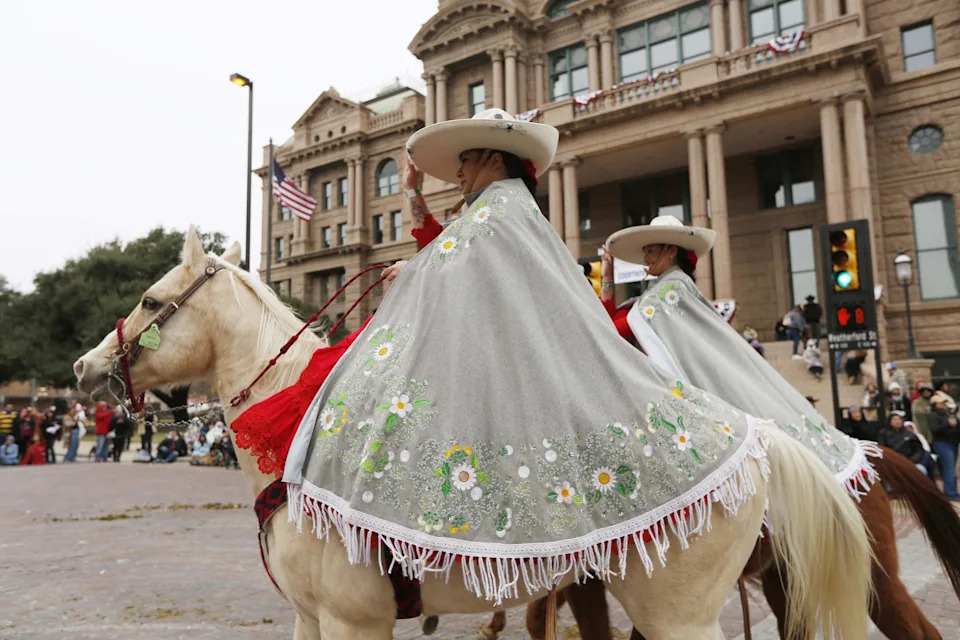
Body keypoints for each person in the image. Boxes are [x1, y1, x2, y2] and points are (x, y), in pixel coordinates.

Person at [599, 213, 876, 505]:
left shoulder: (672, 288)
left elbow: (610, 330)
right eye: (644, 251)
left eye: (651, 249)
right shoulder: (655, 293)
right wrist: (607, 276)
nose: (646, 257)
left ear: (671, 249)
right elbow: (608, 323)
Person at [878, 412, 935, 479]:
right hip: (893, 463)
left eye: (899, 419)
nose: (897, 421)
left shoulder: (909, 434)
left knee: (921, 470)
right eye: (894, 419)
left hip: (910, 462)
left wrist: (911, 461)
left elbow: (919, 450)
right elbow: (883, 450)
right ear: (889, 422)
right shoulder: (883, 433)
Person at [929, 391, 960, 501]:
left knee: (951, 468)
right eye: (941, 403)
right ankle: (951, 493)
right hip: (942, 444)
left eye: (944, 403)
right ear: (935, 404)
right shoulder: (933, 415)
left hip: (953, 443)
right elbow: (935, 430)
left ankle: (952, 491)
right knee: (949, 469)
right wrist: (947, 424)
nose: (943, 404)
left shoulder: (949, 414)